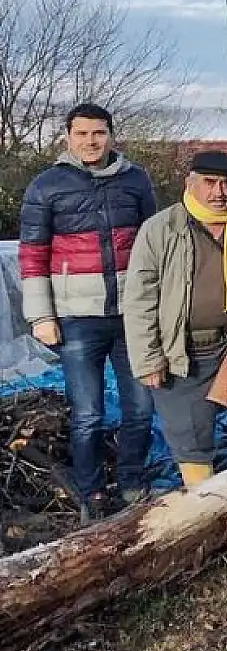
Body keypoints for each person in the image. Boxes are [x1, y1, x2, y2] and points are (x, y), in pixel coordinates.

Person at [18, 102, 158, 516]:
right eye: (81, 134)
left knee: (141, 409)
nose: (90, 142)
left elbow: (153, 246)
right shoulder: (47, 186)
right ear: (68, 137)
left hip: (131, 315)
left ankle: (133, 481)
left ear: (111, 135)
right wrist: (42, 316)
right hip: (76, 319)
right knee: (87, 414)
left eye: (98, 133)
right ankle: (91, 492)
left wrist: (155, 306)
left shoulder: (135, 180)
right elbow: (32, 255)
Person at [123, 150, 227, 486]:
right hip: (180, 348)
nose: (218, 192)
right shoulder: (159, 229)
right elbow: (139, 299)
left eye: (226, 184)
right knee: (187, 434)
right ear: (191, 183)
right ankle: (204, 503)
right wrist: (148, 359)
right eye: (209, 183)